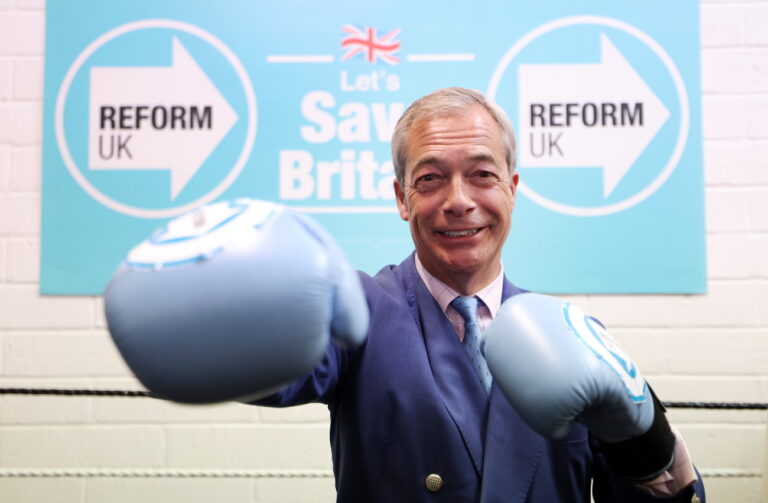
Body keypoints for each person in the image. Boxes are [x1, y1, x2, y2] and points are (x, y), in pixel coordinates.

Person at [106, 87, 706, 502]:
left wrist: (646, 430)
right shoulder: (360, 310)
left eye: (481, 174)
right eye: (429, 178)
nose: (458, 200)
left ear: (513, 189)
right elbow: (277, 368)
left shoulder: (574, 336)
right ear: (401, 199)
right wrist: (207, 318)